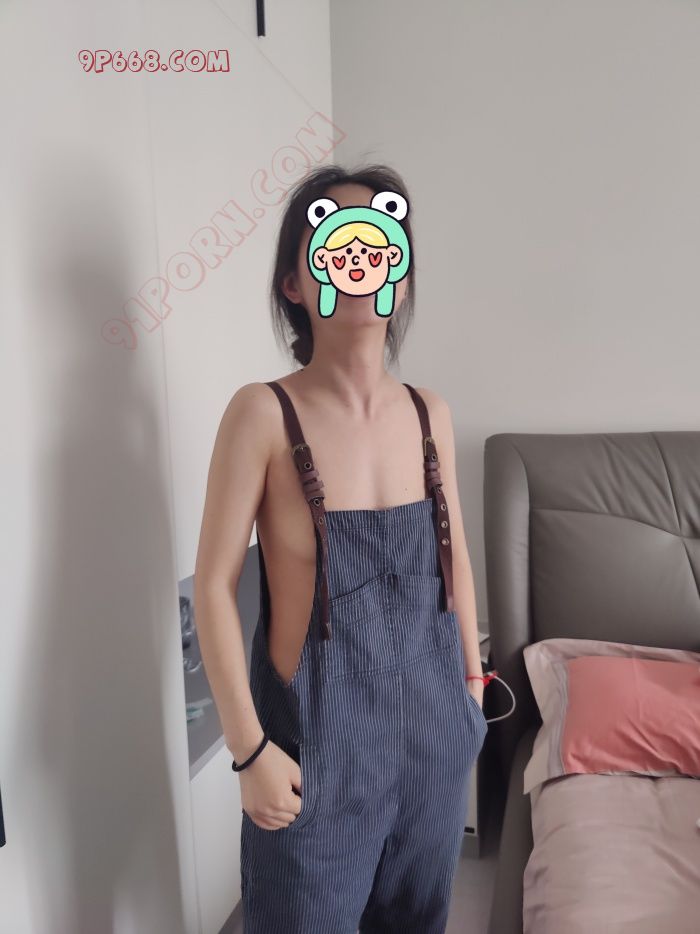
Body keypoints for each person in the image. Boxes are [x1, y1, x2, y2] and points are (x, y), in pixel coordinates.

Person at [193, 163, 488, 933]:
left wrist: (471, 693)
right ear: (296, 282)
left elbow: (454, 560)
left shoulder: (430, 414)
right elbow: (214, 585)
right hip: (313, 758)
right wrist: (249, 750)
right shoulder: (262, 413)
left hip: (432, 748)